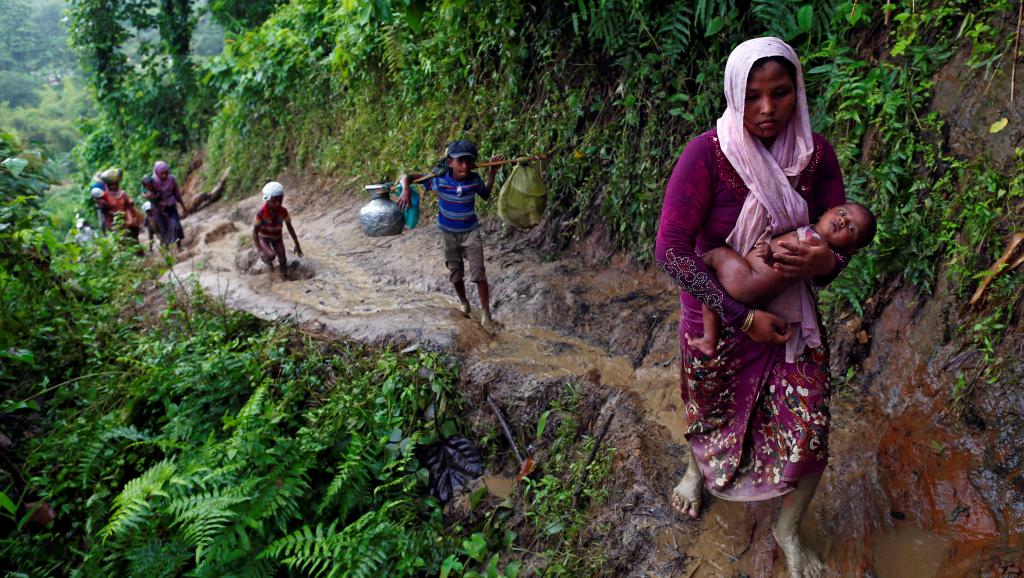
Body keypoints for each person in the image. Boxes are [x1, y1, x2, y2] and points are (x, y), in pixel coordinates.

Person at [654, 37, 850, 578]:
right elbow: (670, 249)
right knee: (710, 409)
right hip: (715, 310)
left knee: (810, 425)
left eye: (781, 94)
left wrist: (822, 267)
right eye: (753, 95)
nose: (767, 109)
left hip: (791, 319)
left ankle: (788, 528)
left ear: (798, 93)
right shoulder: (707, 155)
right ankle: (699, 472)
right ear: (734, 93)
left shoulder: (815, 158)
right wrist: (741, 316)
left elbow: (838, 245)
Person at [690, 202, 876, 356]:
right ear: (826, 211)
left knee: (718, 255)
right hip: (752, 285)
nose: (842, 220)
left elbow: (787, 262)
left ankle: (690, 265)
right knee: (710, 296)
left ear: (850, 250)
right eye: (842, 213)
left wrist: (769, 255)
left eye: (851, 228)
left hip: (748, 278)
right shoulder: (809, 228)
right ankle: (709, 340)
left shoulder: (816, 250)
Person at [396, 140, 505, 330]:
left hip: (471, 232)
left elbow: (486, 194)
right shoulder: (438, 179)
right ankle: (464, 303)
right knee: (455, 274)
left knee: (479, 273)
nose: (464, 166)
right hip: (448, 234)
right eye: (460, 161)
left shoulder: (474, 180)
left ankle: (486, 313)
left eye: (468, 162)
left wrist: (492, 173)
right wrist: (405, 189)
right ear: (449, 163)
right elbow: (406, 176)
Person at [253, 181, 303, 279]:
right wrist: (260, 250)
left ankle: (283, 277)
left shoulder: (283, 212)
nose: (278, 203)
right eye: (275, 201)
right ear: (267, 200)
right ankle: (268, 262)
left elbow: (290, 228)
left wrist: (297, 244)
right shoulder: (261, 214)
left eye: (280, 200)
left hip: (277, 238)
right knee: (271, 255)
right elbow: (255, 233)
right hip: (264, 238)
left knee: (283, 259)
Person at [148, 161, 188, 249]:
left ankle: (179, 246)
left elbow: (176, 193)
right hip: (158, 209)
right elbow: (149, 196)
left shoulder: (172, 179)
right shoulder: (152, 181)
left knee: (176, 226)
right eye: (162, 174)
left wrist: (183, 206)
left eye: (166, 173)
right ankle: (166, 249)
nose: (165, 175)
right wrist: (157, 203)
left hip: (171, 206)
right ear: (157, 172)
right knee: (163, 229)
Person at [96, 168, 141, 240]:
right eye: (111, 185)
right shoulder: (104, 196)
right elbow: (104, 210)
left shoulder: (122, 193)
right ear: (108, 185)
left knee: (133, 227)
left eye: (115, 184)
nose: (114, 186)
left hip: (126, 217)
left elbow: (129, 206)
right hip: (114, 221)